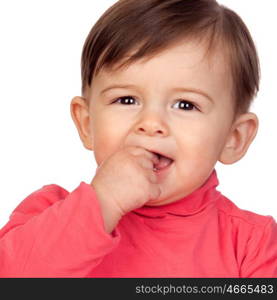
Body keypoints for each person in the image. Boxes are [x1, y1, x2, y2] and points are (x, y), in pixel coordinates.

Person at [0, 0, 276, 277]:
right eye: (127, 99)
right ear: (87, 123)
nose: (151, 124)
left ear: (233, 137)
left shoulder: (253, 243)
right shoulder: (48, 214)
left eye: (185, 105)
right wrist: (103, 202)